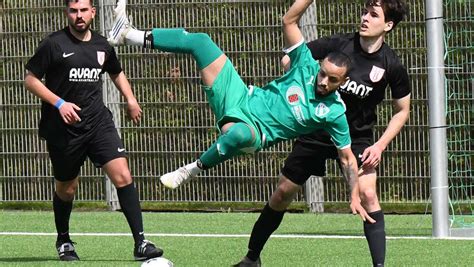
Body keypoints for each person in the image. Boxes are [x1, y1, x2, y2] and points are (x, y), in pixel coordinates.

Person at [108, 0, 374, 221]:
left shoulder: (334, 112)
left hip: (254, 132)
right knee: (201, 42)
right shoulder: (305, 63)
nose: (324, 82)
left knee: (237, 135)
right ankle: (128, 34)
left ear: (344, 82)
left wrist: (353, 194)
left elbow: (348, 158)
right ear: (319, 67)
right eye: (323, 74)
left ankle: (191, 170)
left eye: (333, 80)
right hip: (241, 96)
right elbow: (289, 21)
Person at [235, 0, 411, 266]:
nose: (364, 17)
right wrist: (297, 78)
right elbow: (290, 57)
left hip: (356, 138)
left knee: (368, 194)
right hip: (316, 131)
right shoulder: (338, 45)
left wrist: (380, 146)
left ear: (388, 25)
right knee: (282, 193)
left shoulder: (392, 65)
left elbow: (402, 110)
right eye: (364, 11)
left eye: (373, 15)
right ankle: (251, 258)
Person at [24, 0, 163, 262]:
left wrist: (130, 99)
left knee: (122, 174)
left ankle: (141, 242)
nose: (79, 16)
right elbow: (30, 79)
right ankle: (64, 240)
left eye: (83, 10)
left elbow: (116, 72)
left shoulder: (102, 45)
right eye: (74, 11)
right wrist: (59, 103)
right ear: (67, 12)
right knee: (67, 188)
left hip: (98, 123)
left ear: (93, 12)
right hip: (64, 130)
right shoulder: (54, 44)